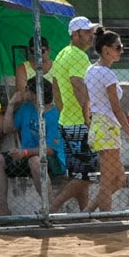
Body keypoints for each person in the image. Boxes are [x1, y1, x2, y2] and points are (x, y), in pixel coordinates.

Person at [79, 27, 129, 213]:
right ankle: (105, 220)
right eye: (118, 47)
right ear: (106, 49)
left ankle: (85, 214)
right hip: (106, 126)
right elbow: (116, 108)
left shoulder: (91, 70)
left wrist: (89, 121)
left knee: (119, 180)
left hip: (100, 125)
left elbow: (87, 100)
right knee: (107, 182)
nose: (121, 51)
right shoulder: (107, 74)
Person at [0, 78, 65, 216]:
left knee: (35, 161)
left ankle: (50, 209)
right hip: (25, 156)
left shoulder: (54, 115)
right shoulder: (26, 108)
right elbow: (7, 129)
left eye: (27, 89)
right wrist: (12, 104)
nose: (23, 91)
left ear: (35, 94)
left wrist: (25, 152)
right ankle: (3, 209)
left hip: (51, 160)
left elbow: (50, 150)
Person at [49, 16, 99, 213]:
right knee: (86, 176)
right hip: (79, 123)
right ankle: (52, 207)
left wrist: (64, 111)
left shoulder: (62, 54)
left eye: (91, 32)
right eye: (86, 32)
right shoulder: (78, 56)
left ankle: (84, 213)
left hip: (67, 122)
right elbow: (80, 87)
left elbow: (55, 89)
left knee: (79, 175)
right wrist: (88, 119)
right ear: (75, 34)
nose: (91, 36)